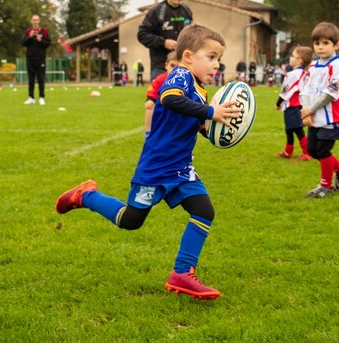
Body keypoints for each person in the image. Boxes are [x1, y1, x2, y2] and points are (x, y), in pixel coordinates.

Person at [54, 24, 242, 300]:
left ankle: (182, 273)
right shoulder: (180, 75)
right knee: (130, 221)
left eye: (219, 59)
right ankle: (85, 196)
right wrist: (210, 111)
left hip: (181, 169)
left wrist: (213, 131)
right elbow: (170, 99)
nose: (217, 64)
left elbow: (190, 122)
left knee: (204, 211)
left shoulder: (200, 90)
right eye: (211, 57)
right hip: (156, 168)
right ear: (188, 56)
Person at [300, 22, 339, 198]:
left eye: (325, 43)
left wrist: (310, 110)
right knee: (312, 150)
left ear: (336, 45)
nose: (320, 47)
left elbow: (329, 94)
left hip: (331, 118)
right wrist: (306, 110)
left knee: (323, 151)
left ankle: (325, 186)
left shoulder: (337, 67)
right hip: (314, 116)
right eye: (317, 43)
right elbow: (305, 89)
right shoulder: (313, 66)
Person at [138, 0, 193, 80]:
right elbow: (142, 34)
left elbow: (190, 34)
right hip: (160, 66)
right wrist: (163, 42)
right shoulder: (156, 11)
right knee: (160, 91)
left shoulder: (186, 11)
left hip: (183, 65)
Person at [275, 46, 312, 161]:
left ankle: (307, 153)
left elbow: (284, 91)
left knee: (297, 130)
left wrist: (278, 103)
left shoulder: (292, 74)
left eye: (292, 56)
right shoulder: (304, 73)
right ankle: (288, 152)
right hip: (298, 105)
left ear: (299, 60)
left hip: (293, 106)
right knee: (289, 129)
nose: (290, 58)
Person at [144, 51, 179, 137]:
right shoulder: (160, 79)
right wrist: (149, 100)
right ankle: (148, 132)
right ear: (166, 65)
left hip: (178, 110)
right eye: (172, 66)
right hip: (161, 108)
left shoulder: (186, 81)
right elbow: (152, 93)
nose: (174, 70)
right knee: (150, 106)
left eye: (178, 67)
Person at [22, 14, 51, 105]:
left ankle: (41, 97)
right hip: (30, 58)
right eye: (34, 20)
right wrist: (30, 37)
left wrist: (40, 40)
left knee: (41, 79)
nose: (35, 22)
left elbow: (48, 43)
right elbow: (22, 43)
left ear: (39, 21)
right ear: (31, 21)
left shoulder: (44, 31)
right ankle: (31, 97)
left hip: (41, 58)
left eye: (37, 20)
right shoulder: (28, 31)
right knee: (31, 79)